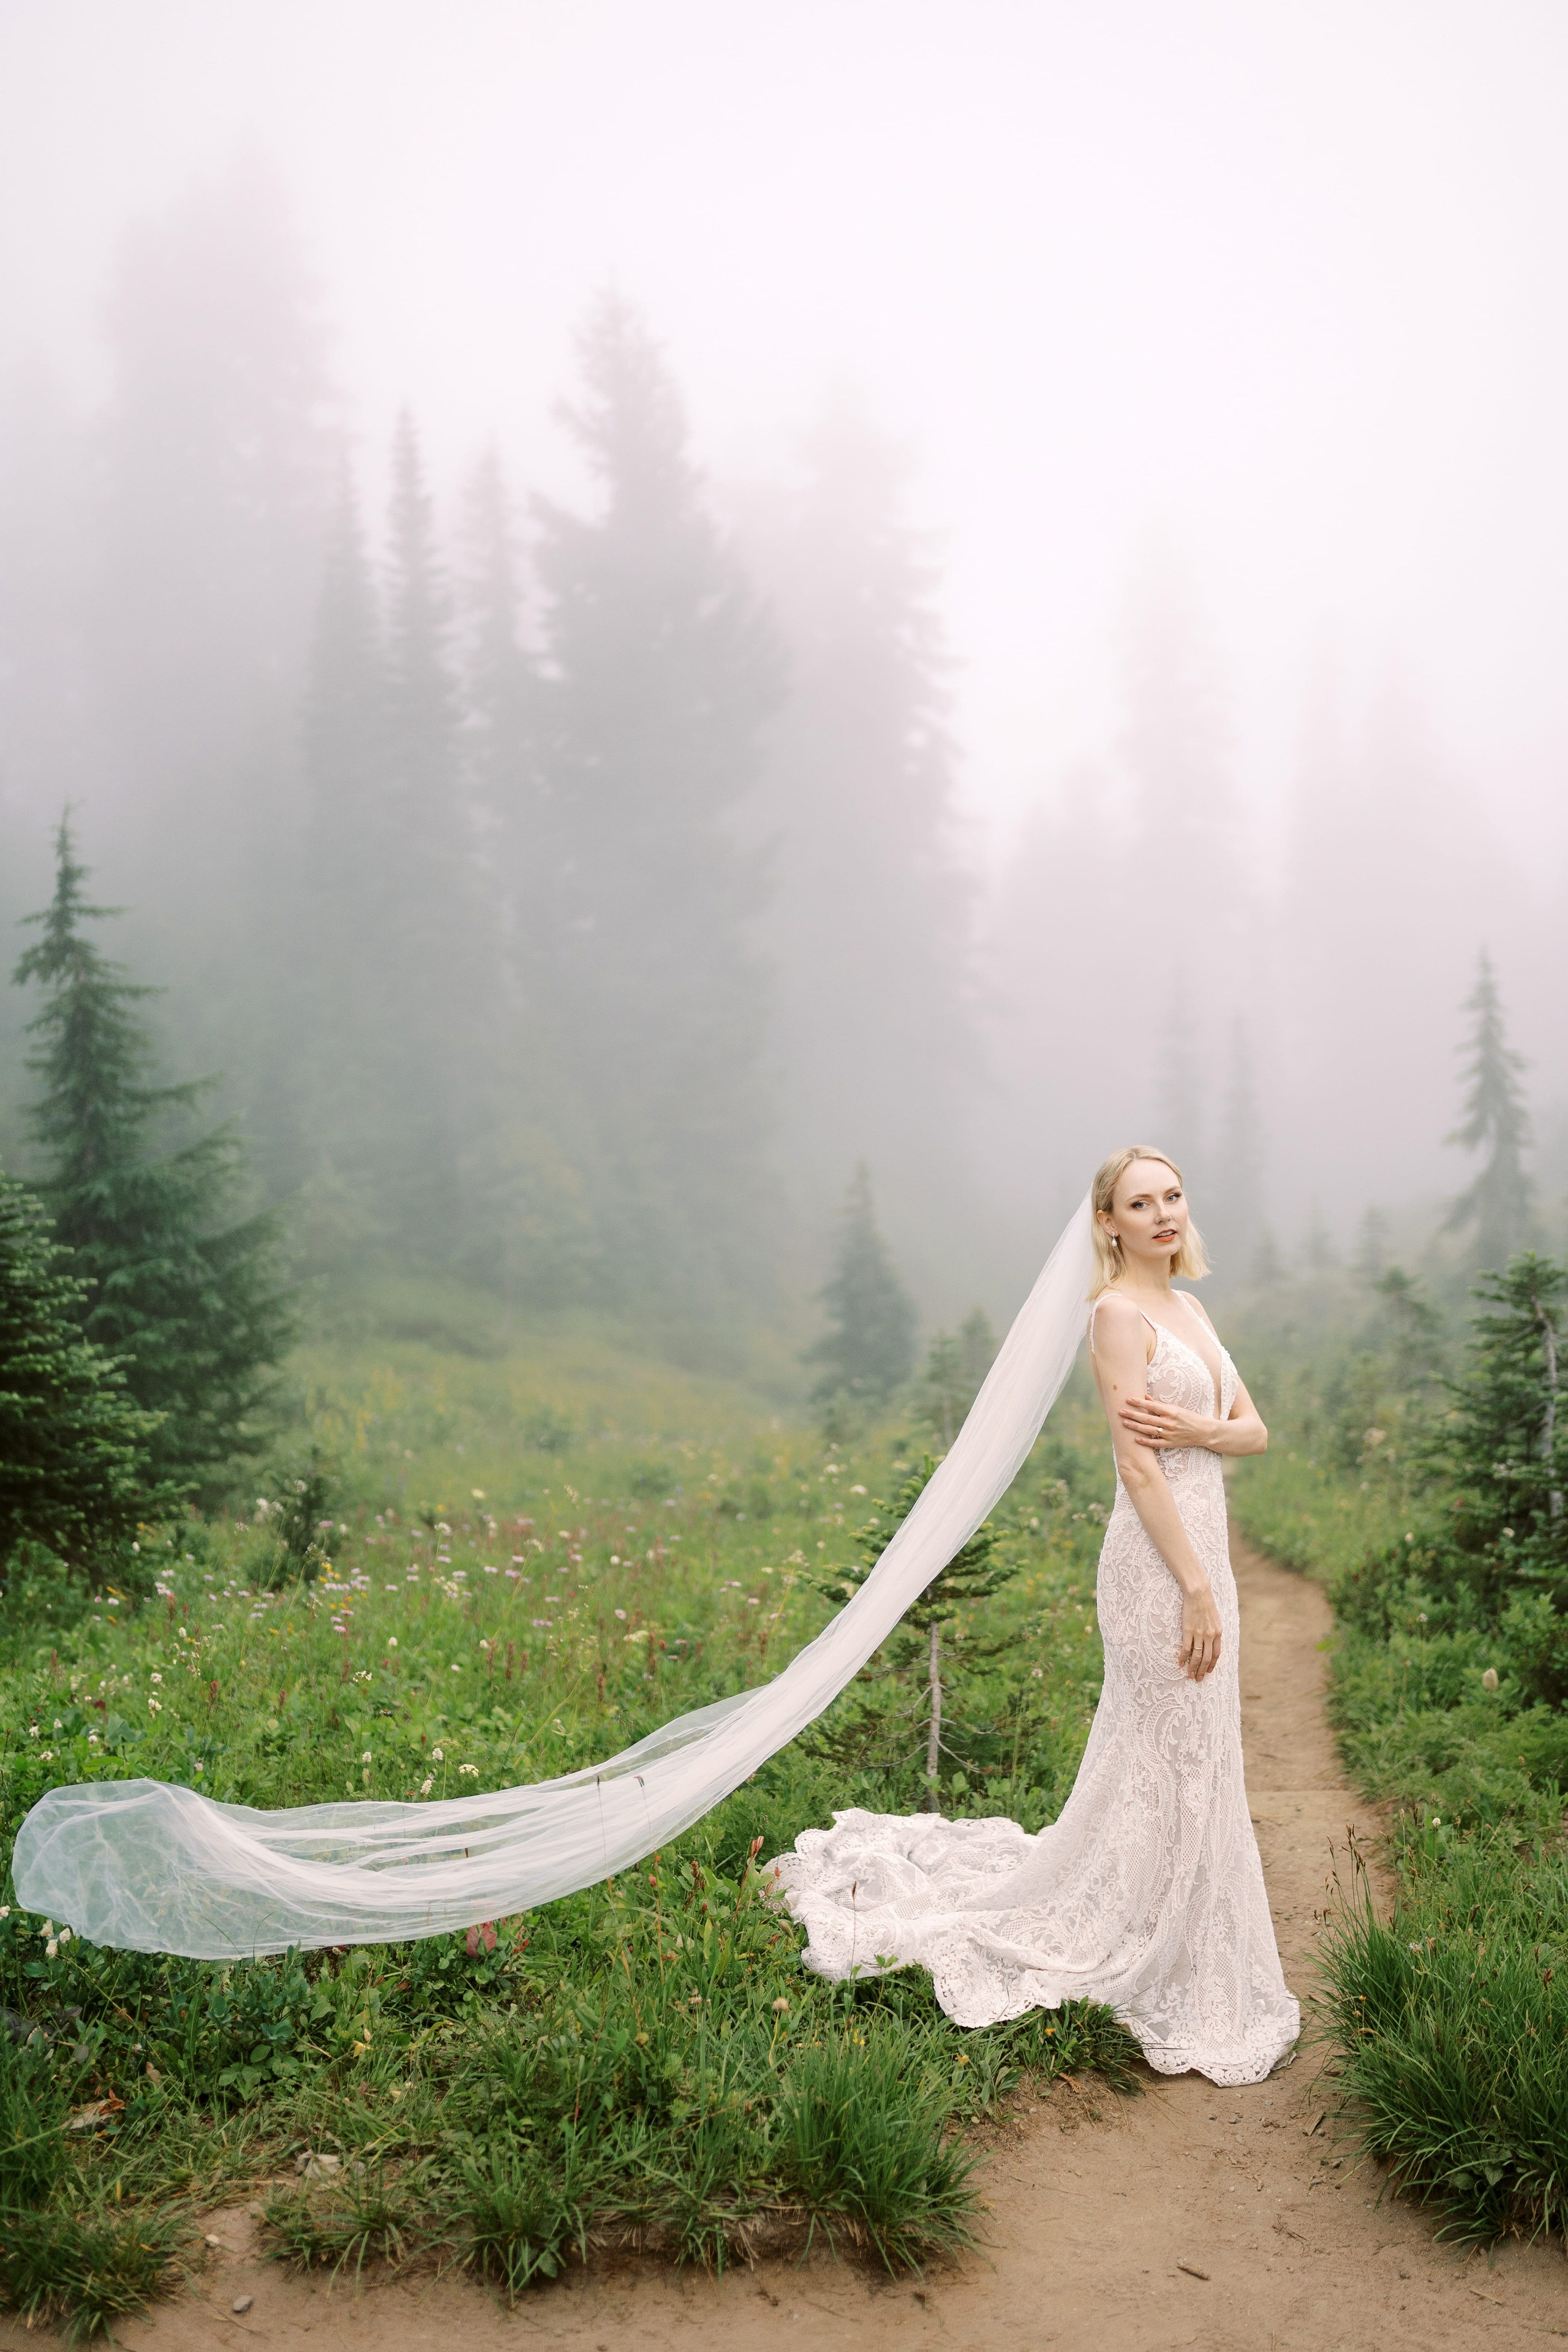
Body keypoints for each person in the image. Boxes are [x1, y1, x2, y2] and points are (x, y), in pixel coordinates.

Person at [769, 1147, 1300, 2086]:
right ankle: (1141, 1938)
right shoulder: (1117, 1315)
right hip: (1158, 1567)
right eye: (1141, 1203)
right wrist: (1195, 1586)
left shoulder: (1196, 1310)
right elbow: (1136, 1466)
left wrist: (1201, 1433)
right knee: (1166, 1745)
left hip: (1202, 1554)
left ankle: (1187, 1936)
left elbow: (1253, 1430)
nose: (1164, 1214)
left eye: (1173, 1196)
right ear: (1109, 1224)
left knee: (1199, 1751)